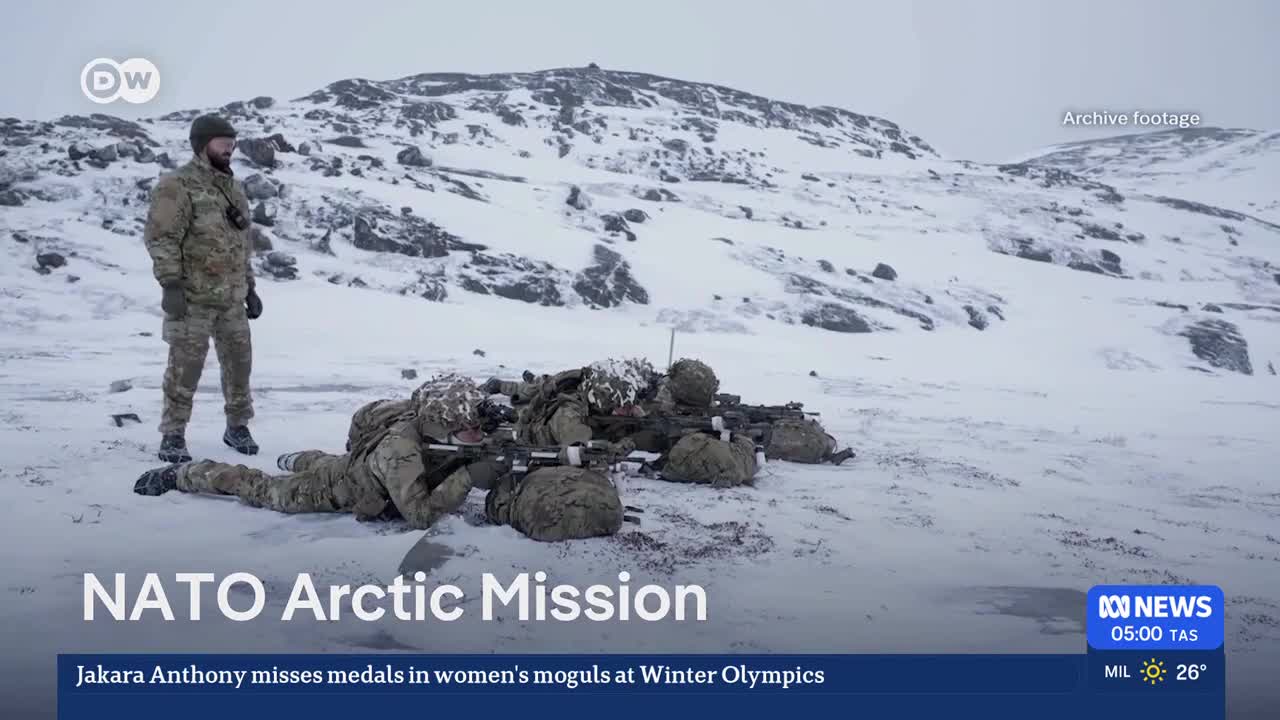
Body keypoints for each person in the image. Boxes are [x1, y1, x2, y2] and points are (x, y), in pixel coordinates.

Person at [134, 375, 626, 540]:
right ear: (442, 426)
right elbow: (416, 515)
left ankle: (300, 456)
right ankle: (187, 474)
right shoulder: (401, 449)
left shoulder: (445, 432)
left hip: (363, 466)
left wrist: (570, 455)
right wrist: (471, 477)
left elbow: (503, 444)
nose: (476, 434)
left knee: (325, 460)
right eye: (466, 430)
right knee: (260, 488)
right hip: (337, 490)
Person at [143, 114, 263, 463]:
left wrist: (250, 288)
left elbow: (241, 244)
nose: (230, 148)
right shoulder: (176, 185)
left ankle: (237, 426)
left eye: (232, 142)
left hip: (231, 298)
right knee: (185, 369)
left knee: (240, 366)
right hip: (192, 297)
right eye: (222, 142)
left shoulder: (233, 188)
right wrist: (170, 284)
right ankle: (173, 434)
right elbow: (162, 238)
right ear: (202, 144)